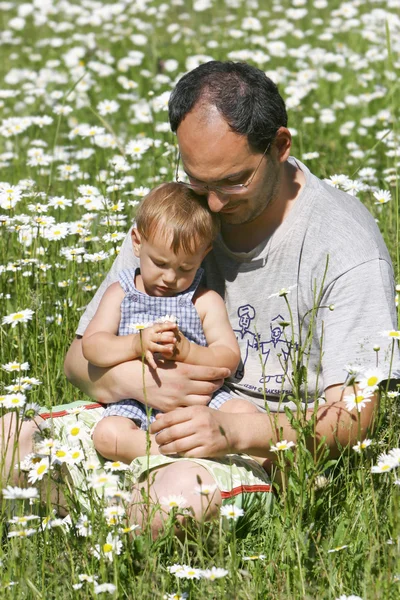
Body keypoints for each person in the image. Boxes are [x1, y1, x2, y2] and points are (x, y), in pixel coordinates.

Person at [3, 61, 399, 536]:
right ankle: (104, 513)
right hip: (141, 419)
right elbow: (75, 361)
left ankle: (100, 515)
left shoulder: (343, 245)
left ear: (279, 146)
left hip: (256, 446)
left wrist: (234, 432)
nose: (211, 205)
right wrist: (143, 385)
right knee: (7, 439)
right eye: (198, 180)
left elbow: (356, 417)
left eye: (234, 181)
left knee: (173, 502)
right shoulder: (176, 220)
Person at [82, 183, 257, 464]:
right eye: (160, 263)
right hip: (135, 401)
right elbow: (92, 347)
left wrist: (189, 352)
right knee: (107, 435)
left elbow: (229, 358)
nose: (170, 278)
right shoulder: (122, 293)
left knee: (245, 414)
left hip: (200, 402)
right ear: (137, 242)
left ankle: (196, 451)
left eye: (185, 268)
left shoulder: (204, 301)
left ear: (205, 253)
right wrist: (135, 344)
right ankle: (167, 452)